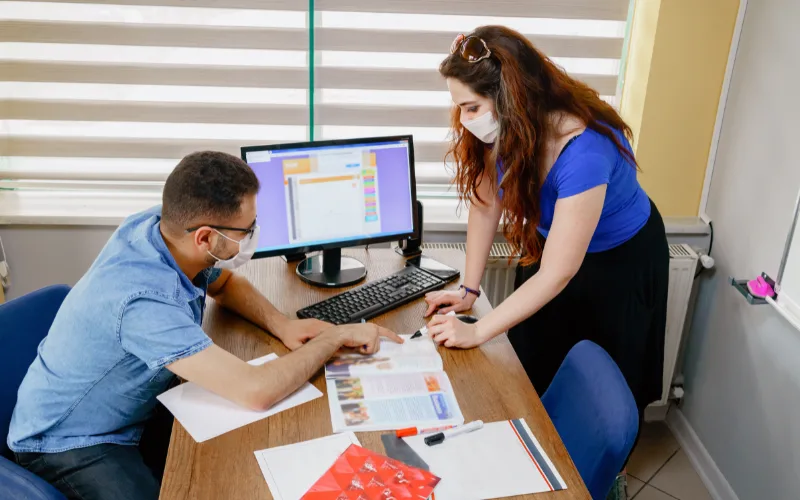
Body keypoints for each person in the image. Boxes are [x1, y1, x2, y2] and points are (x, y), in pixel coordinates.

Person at [7, 151, 402, 500]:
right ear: (206, 238)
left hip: (128, 407)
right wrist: (336, 336)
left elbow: (224, 283)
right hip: (69, 441)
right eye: (246, 231)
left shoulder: (160, 228)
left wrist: (282, 325)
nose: (253, 237)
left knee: (241, 458)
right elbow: (256, 391)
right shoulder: (143, 300)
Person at [424, 26, 669, 417]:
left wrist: (477, 330)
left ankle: (611, 472)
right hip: (554, 245)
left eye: (472, 107)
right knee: (534, 362)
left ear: (511, 98)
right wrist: (469, 290)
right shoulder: (508, 131)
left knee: (610, 389)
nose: (465, 119)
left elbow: (557, 272)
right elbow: (486, 205)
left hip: (620, 262)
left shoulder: (583, 150)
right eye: (460, 108)